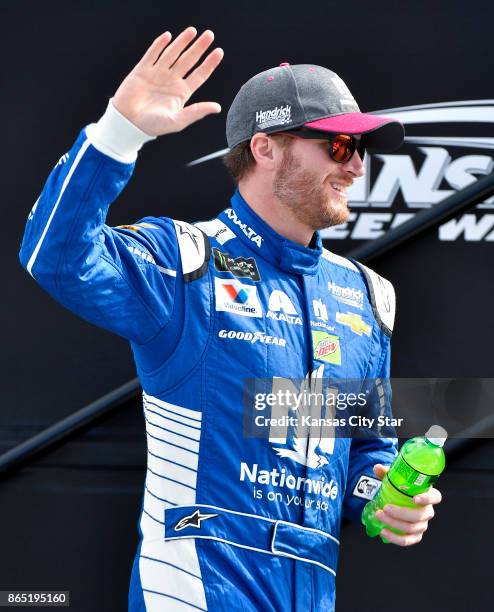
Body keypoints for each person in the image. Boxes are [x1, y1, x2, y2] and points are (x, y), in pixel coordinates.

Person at [19, 27, 442, 612]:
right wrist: (119, 133)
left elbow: (363, 445)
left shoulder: (366, 295)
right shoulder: (185, 262)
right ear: (266, 148)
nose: (356, 168)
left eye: (361, 150)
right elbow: (56, 257)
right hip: (196, 589)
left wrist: (383, 494)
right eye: (340, 147)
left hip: (312, 593)